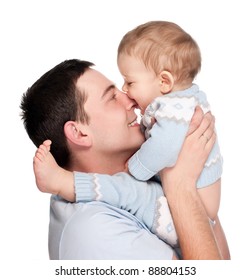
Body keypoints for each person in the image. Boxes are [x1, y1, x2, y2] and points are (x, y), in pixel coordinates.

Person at [31, 21, 230, 258]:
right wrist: (180, 185)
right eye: (112, 97)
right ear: (80, 133)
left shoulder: (141, 181)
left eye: (126, 87)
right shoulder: (93, 230)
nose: (131, 100)